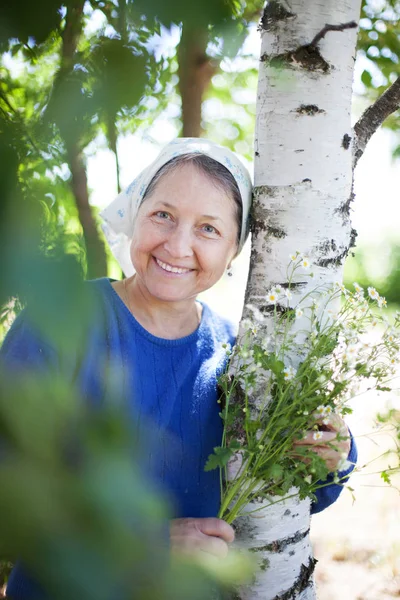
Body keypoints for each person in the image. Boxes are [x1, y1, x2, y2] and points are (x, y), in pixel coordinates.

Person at [1, 138, 357, 597]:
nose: (178, 244)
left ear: (234, 253)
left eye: (208, 229)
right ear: (135, 213)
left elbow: (281, 501)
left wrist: (330, 456)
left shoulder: (241, 354)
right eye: (163, 215)